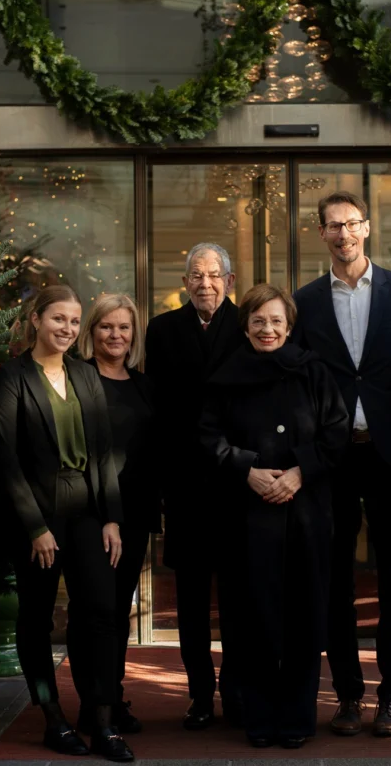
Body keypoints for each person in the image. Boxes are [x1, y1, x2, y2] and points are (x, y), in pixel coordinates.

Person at [292, 191, 391, 737]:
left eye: (351, 224)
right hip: (334, 458)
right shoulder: (306, 302)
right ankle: (348, 695)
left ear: (366, 228)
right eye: (333, 226)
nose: (343, 234)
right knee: (335, 580)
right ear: (321, 234)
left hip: (390, 452)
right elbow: (296, 377)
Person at [0, 285, 134, 763]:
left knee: (103, 613)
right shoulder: (13, 377)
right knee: (36, 619)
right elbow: (7, 460)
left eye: (74, 322)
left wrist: (112, 518)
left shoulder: (85, 376)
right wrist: (35, 527)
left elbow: (104, 453)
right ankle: (53, 719)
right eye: (59, 319)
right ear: (36, 320)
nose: (68, 329)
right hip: (39, 518)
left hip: (88, 513)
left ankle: (105, 722)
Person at [201, 284, 350, 748]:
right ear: (245, 325)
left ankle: (298, 718)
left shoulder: (314, 372)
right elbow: (207, 436)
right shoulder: (224, 376)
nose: (268, 329)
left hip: (306, 513)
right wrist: (246, 470)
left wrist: (300, 472)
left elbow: (337, 431)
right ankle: (258, 716)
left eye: (276, 321)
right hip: (246, 517)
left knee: (304, 616)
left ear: (290, 325)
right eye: (259, 321)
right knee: (252, 617)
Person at [144, 243, 245, 729]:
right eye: (195, 276)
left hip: (238, 488)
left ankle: (238, 691)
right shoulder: (163, 330)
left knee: (239, 600)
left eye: (213, 275)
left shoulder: (249, 325)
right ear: (185, 282)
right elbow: (158, 411)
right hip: (185, 489)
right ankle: (200, 695)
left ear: (229, 279)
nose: (205, 283)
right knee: (189, 605)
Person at [77, 293, 161, 735]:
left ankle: (112, 697)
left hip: (136, 512)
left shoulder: (144, 384)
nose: (116, 335)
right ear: (92, 332)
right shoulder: (77, 379)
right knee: (95, 609)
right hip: (90, 512)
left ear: (134, 335)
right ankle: (93, 705)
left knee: (117, 611)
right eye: (107, 327)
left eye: (124, 327)